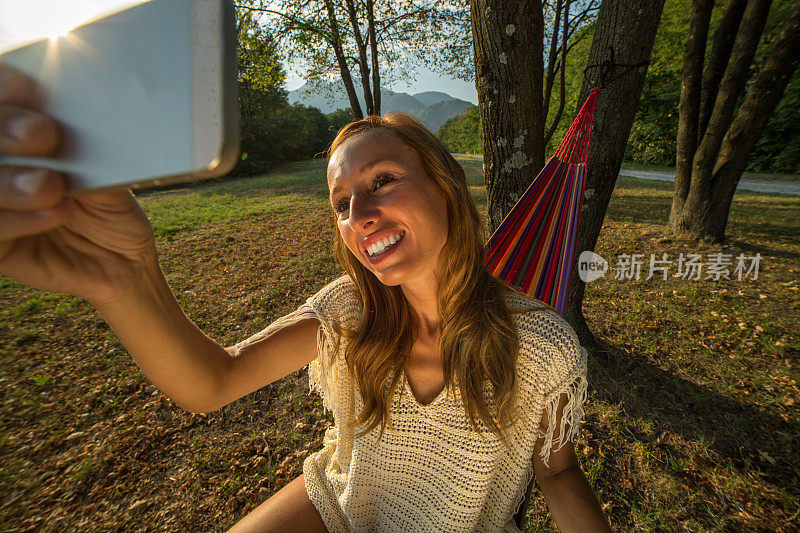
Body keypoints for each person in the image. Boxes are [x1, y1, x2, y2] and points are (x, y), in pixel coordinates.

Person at [0, 62, 612, 532]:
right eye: (342, 204)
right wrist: (125, 277)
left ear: (445, 188)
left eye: (383, 182)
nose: (360, 215)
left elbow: (556, 471)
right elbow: (211, 382)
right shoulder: (348, 310)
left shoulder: (541, 346)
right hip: (339, 503)